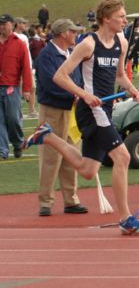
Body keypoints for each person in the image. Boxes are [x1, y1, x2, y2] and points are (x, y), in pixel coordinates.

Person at [22, 0, 139, 235]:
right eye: (121, 16)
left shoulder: (121, 42)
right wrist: (84, 95)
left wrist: (131, 88)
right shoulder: (89, 44)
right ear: (106, 18)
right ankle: (125, 219)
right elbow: (60, 76)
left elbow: (120, 74)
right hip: (90, 110)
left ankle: (48, 136)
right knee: (122, 157)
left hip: (105, 108)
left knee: (88, 170)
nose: (125, 20)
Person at [33, 19, 86, 216]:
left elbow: (77, 79)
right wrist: (74, 94)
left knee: (72, 155)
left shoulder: (70, 54)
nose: (76, 35)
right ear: (64, 33)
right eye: (73, 32)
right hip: (52, 111)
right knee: (50, 157)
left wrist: (78, 94)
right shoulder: (47, 55)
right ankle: (45, 202)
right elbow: (49, 83)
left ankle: (71, 200)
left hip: (70, 110)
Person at [0, 13, 33, 159]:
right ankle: (3, 150)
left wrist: (26, 89)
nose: (1, 26)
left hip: (11, 87)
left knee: (13, 118)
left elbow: (25, 67)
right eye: (0, 24)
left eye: (4, 23)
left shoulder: (19, 43)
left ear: (12, 25)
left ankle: (18, 143)